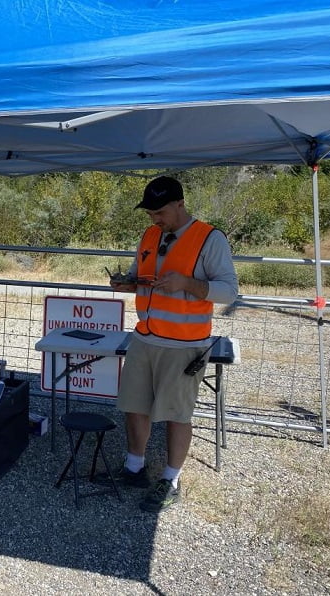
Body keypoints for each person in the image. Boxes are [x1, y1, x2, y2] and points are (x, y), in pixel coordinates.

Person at [110, 176, 238, 512]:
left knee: (176, 415)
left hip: (184, 345)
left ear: (180, 204)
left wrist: (188, 284)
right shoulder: (150, 235)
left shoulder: (209, 238)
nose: (155, 218)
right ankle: (134, 468)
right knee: (134, 406)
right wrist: (126, 283)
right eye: (150, 212)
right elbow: (140, 275)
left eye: (161, 211)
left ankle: (170, 479)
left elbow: (228, 291)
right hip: (144, 338)